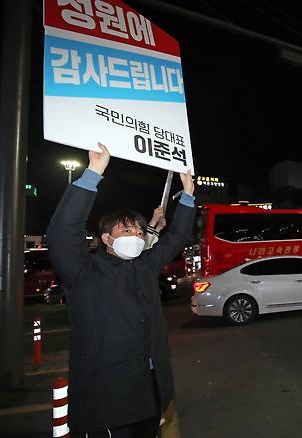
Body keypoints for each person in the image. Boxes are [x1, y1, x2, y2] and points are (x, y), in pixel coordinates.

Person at [47, 143, 195, 438]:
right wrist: (93, 174)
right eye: (126, 230)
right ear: (106, 238)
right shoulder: (84, 271)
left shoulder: (145, 266)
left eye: (140, 232)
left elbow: (176, 237)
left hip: (151, 395)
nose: (136, 236)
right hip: (108, 404)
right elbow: (62, 232)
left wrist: (188, 195)